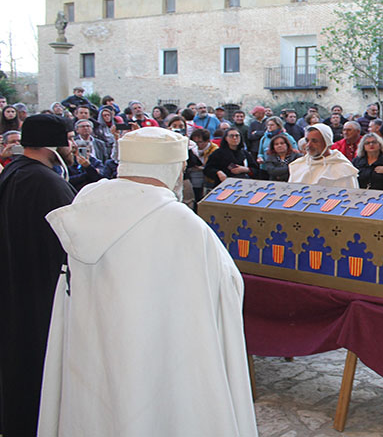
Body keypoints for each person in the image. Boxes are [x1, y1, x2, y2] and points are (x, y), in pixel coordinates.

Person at [40, 127, 257, 436]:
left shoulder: (86, 208)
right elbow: (225, 292)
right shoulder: (183, 225)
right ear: (172, 167)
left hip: (95, 358)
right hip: (161, 364)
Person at [0, 114, 77, 436]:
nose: (72, 146)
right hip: (40, 295)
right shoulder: (49, 184)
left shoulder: (11, 174)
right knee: (36, 370)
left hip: (13, 287)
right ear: (54, 144)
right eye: (69, 139)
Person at [288, 123, 359, 188]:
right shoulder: (298, 165)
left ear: (327, 143)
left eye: (314, 141)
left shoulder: (343, 169)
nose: (308, 145)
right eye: (307, 140)